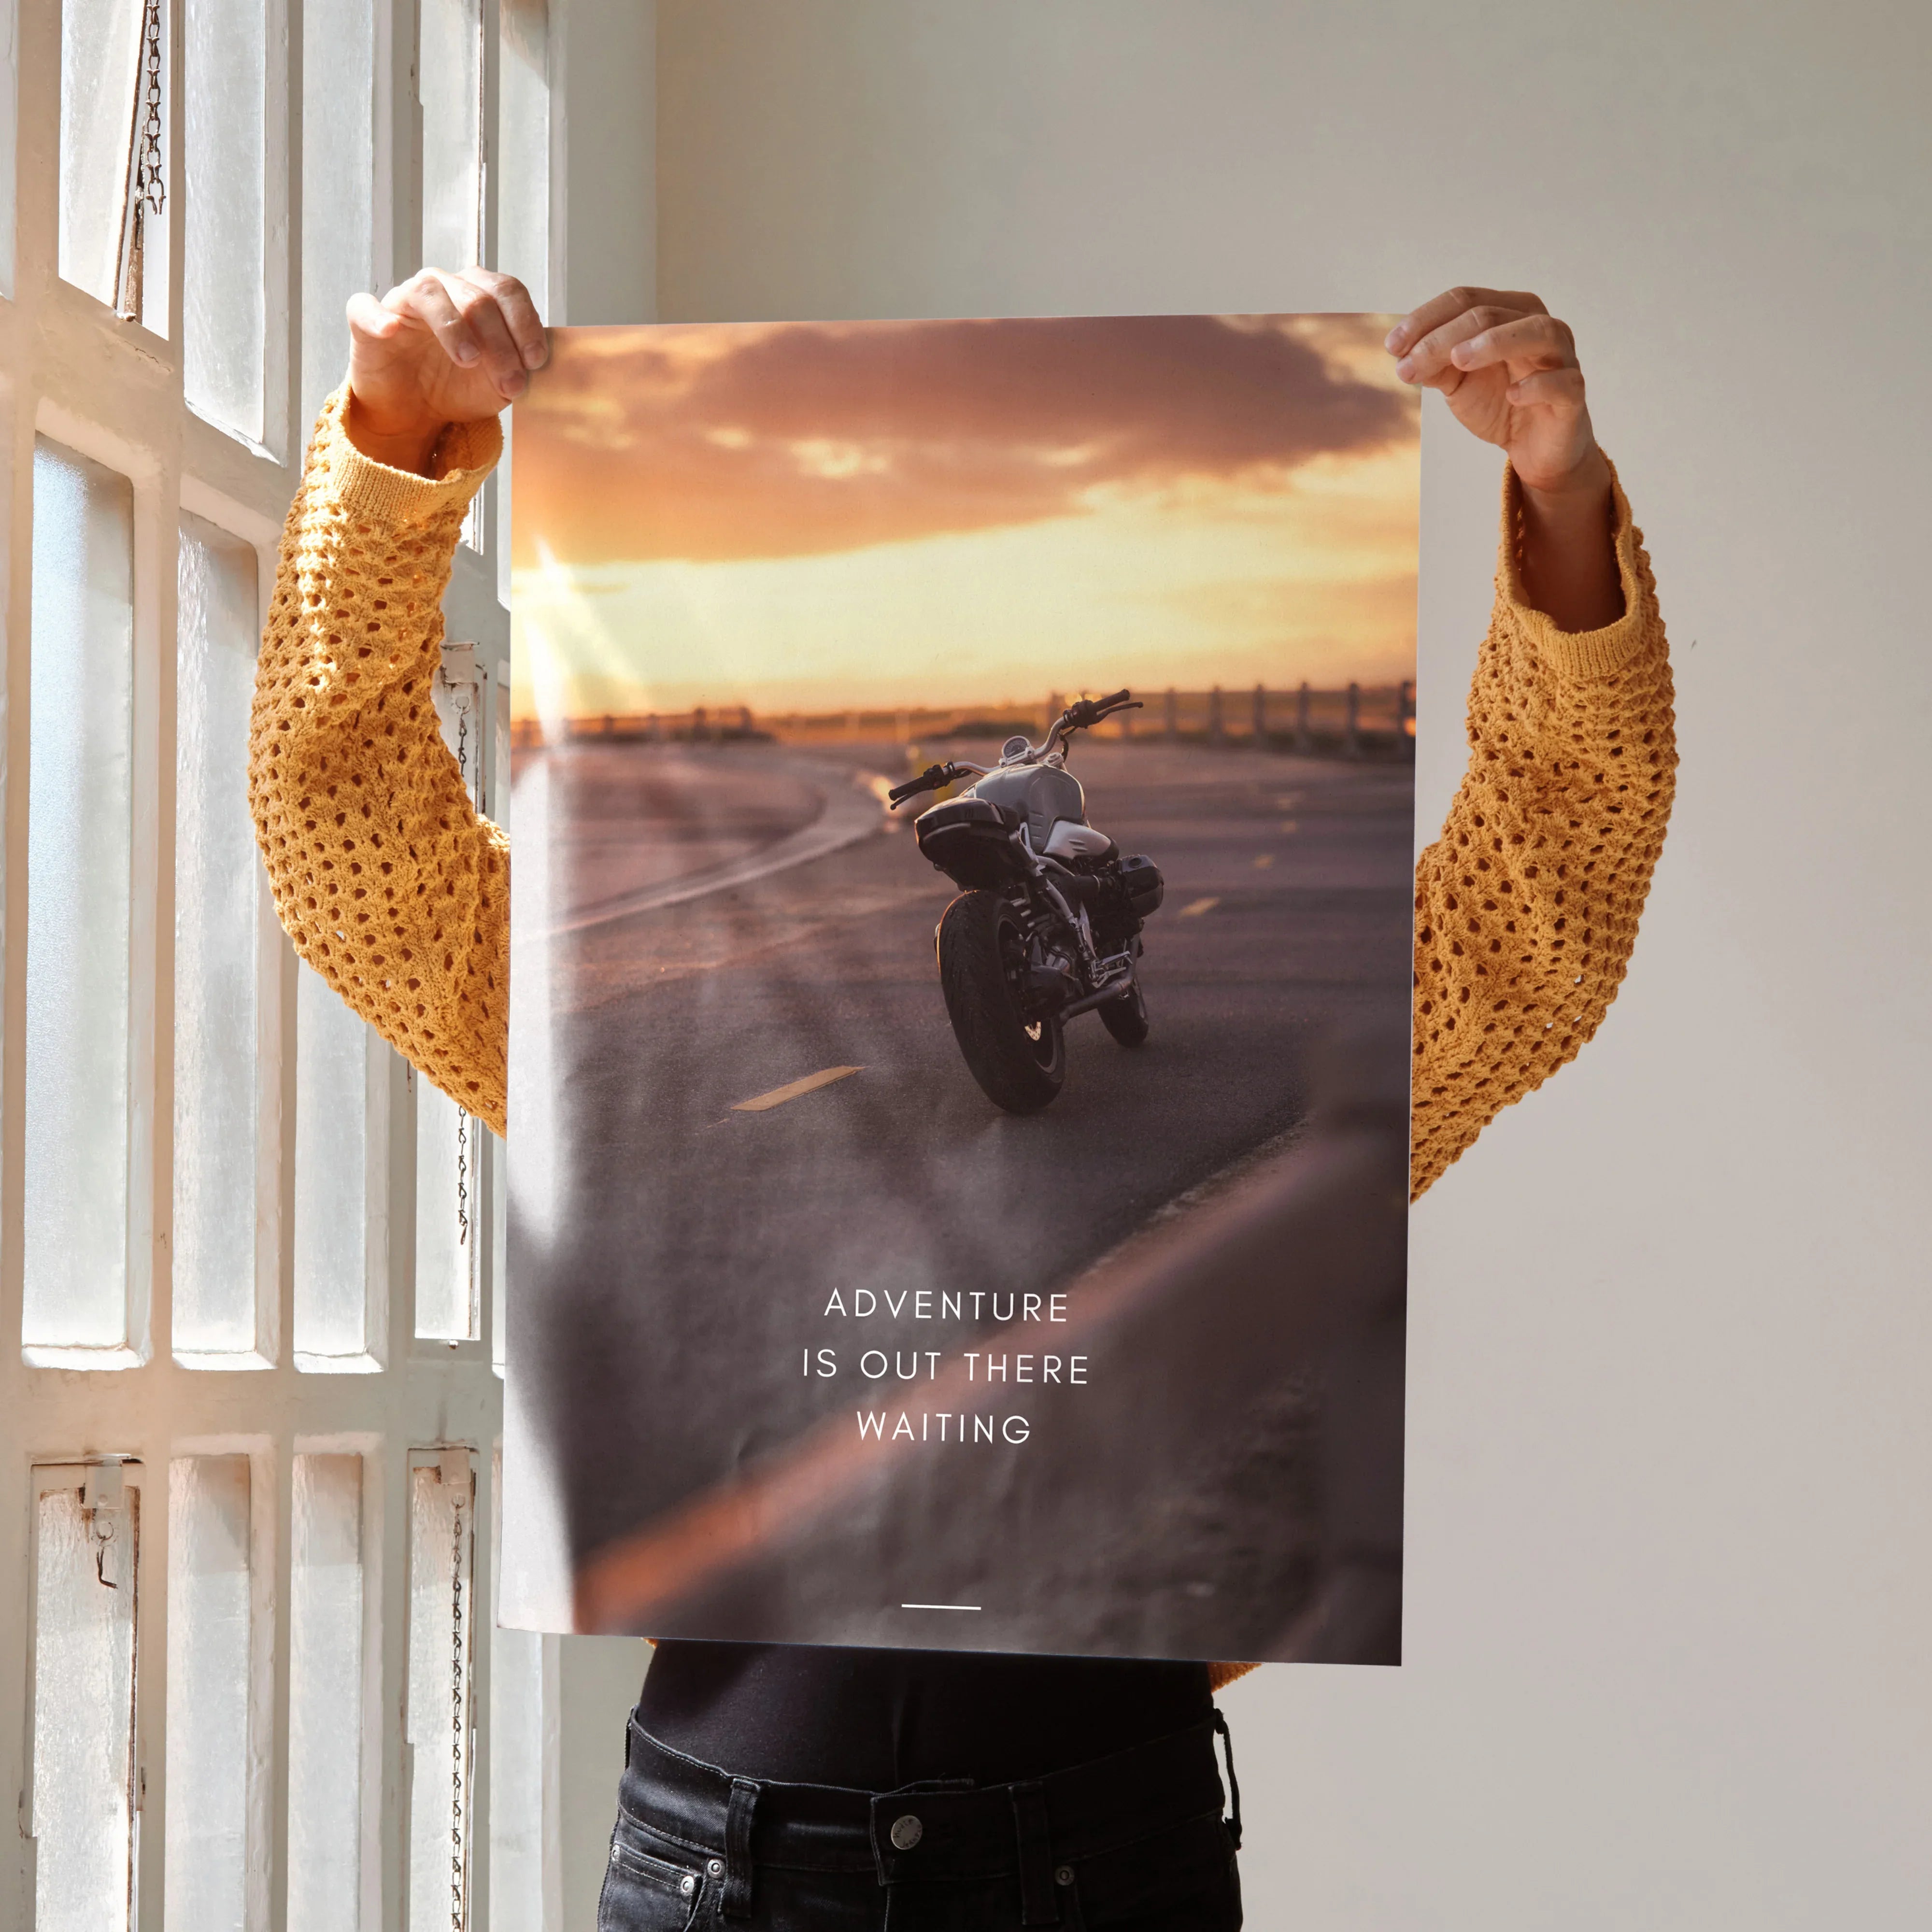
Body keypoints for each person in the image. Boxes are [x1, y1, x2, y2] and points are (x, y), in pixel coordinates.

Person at [250, 270, 1675, 1929]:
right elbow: (353, 852)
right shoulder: (625, 1048)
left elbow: (1544, 905)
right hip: (728, 1862)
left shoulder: (1301, 1036)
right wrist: (393, 446)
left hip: (1103, 1851)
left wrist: (1560, 499)